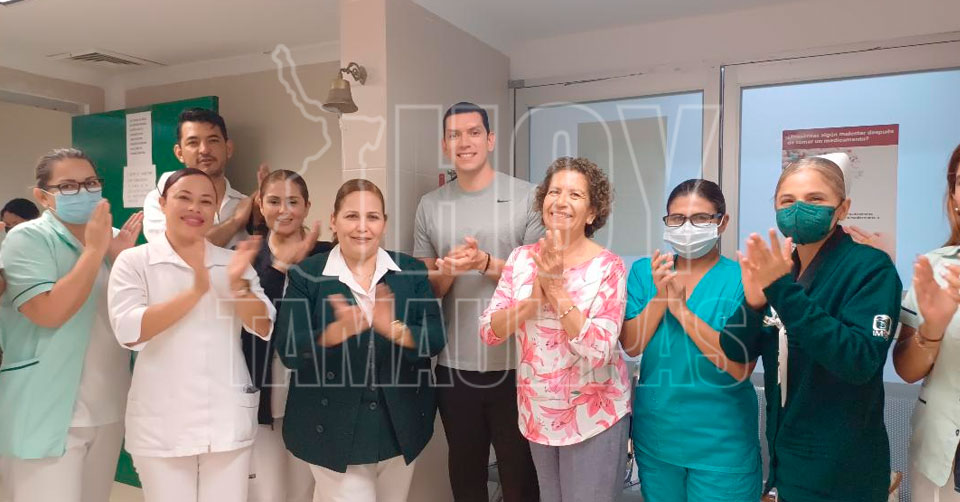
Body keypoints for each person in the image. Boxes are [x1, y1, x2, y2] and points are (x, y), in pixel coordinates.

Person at [719, 156, 902, 502]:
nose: (799, 209)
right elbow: (733, 353)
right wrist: (752, 304)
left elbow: (859, 361)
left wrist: (782, 291)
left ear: (843, 208)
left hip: (845, 473)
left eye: (815, 199)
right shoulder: (781, 270)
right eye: (787, 201)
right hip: (786, 464)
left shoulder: (871, 269)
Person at [107, 168, 275, 502]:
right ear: (162, 203)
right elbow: (129, 331)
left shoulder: (232, 262)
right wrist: (194, 292)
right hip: (162, 423)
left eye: (206, 201)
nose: (195, 208)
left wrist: (240, 288)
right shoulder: (135, 261)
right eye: (184, 198)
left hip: (226, 417)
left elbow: (263, 326)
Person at [275, 179, 445, 502]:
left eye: (373, 217)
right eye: (352, 216)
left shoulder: (409, 270)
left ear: (384, 223)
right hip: (331, 427)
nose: (362, 227)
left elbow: (435, 338)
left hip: (399, 424)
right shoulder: (306, 275)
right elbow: (288, 349)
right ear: (334, 221)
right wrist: (332, 335)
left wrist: (393, 328)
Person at [479, 157, 630, 502]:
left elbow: (599, 350)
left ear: (592, 213)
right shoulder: (520, 259)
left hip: (594, 418)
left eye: (575, 195)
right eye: (554, 192)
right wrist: (531, 302)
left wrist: (557, 292)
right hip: (538, 414)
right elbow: (489, 330)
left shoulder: (609, 267)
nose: (560, 201)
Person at [413, 102, 541, 501]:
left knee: (520, 478)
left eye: (473, 132)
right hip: (454, 366)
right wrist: (449, 270)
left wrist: (484, 263)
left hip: (518, 365)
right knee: (466, 476)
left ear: (490, 139)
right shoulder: (430, 205)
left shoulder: (527, 197)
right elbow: (427, 289)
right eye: (454, 135)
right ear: (444, 144)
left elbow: (537, 284)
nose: (464, 142)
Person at [0, 148, 142, 502]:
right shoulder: (27, 238)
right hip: (46, 407)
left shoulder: (112, 238)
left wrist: (120, 258)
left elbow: (138, 319)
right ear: (43, 196)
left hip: (108, 404)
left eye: (91, 182)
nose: (83, 192)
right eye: (68, 186)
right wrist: (94, 252)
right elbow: (49, 312)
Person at [619, 179, 761, 502]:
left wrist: (682, 312)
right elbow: (632, 345)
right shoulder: (646, 272)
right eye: (677, 218)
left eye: (700, 218)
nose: (687, 227)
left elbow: (739, 368)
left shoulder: (744, 279)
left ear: (722, 222)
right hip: (658, 437)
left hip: (722, 444)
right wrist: (660, 297)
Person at [244, 169, 331, 502]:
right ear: (260, 204)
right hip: (264, 391)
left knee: (310, 490)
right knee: (268, 492)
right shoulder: (247, 256)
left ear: (307, 206)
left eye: (293, 201)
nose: (284, 210)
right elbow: (254, 321)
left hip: (317, 393)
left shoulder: (327, 256)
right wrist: (279, 270)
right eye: (274, 201)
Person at [893, 143, 960, 501]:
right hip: (941, 456)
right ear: (954, 196)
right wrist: (932, 330)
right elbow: (906, 369)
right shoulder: (934, 268)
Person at [142, 107, 267, 248]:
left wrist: (268, 206)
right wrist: (235, 221)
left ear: (228, 149)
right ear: (179, 153)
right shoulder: (161, 201)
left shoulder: (245, 204)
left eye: (213, 140)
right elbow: (182, 250)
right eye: (193, 142)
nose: (204, 150)